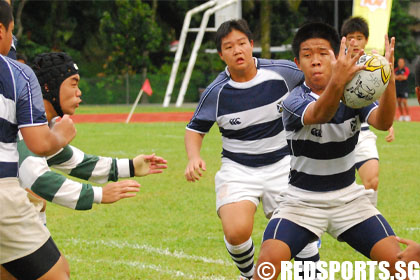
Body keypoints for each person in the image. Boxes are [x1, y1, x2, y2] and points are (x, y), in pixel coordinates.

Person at [254, 22, 402, 280]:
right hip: (301, 203)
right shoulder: (292, 102)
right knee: (266, 267)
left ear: (337, 57)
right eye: (307, 55)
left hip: (349, 200)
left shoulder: (355, 96)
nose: (316, 61)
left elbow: (383, 121)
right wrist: (339, 81)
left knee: (402, 266)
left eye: (323, 53)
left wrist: (385, 80)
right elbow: (321, 112)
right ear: (297, 63)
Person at [184, 19, 319, 280]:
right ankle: (248, 275)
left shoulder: (282, 72)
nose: (237, 50)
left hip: (284, 165)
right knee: (236, 231)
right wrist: (193, 157)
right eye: (229, 47)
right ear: (221, 54)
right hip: (238, 169)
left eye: (242, 43)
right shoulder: (216, 92)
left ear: (251, 45)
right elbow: (195, 129)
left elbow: (316, 81)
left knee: (303, 237)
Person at [16, 52, 167, 221]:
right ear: (47, 87)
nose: (79, 92)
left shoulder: (43, 125)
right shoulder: (25, 124)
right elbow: (38, 178)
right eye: (73, 85)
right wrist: (98, 194)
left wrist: (131, 166)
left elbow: (79, 163)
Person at [0, 2, 76, 279]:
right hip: (2, 195)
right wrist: (61, 134)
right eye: (11, 31)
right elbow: (40, 144)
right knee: (58, 274)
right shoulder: (16, 73)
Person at [341, 16, 394, 206]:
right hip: (337, 133)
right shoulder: (337, 63)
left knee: (372, 181)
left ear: (366, 39)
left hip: (362, 131)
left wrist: (388, 123)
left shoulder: (374, 63)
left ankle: (366, 228)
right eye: (351, 37)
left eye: (360, 37)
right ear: (344, 40)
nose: (355, 42)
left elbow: (378, 95)